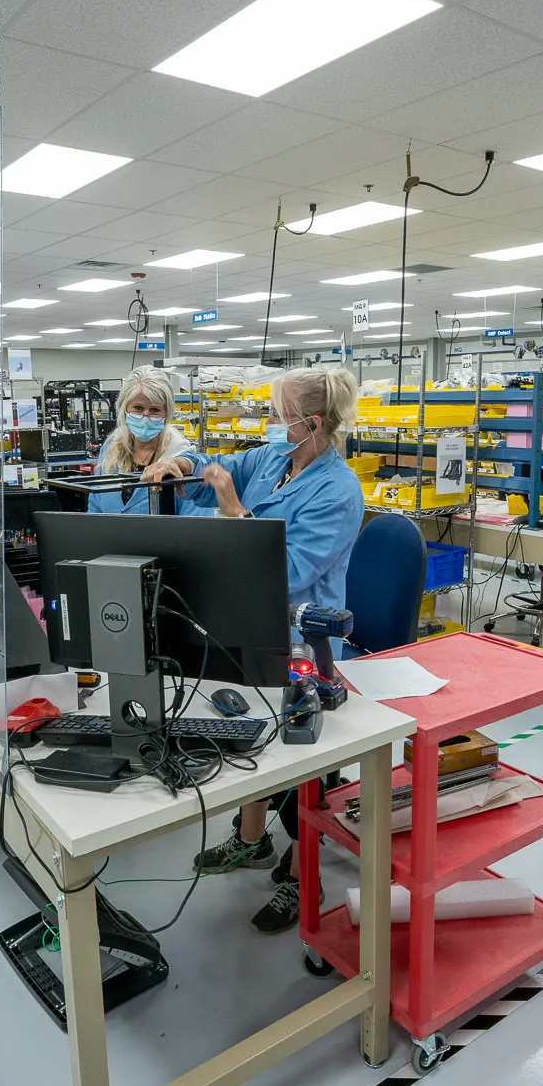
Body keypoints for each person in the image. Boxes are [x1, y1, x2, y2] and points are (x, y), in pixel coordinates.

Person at [142, 366, 364, 932]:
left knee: (298, 758)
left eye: (275, 415)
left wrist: (235, 512)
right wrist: (184, 464)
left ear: (310, 424)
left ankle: (299, 871)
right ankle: (251, 842)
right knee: (250, 738)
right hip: (245, 622)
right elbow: (224, 465)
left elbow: (286, 574)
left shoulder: (338, 491)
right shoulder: (274, 459)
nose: (266, 424)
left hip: (302, 641)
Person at [89, 367, 208, 516]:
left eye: (155, 410)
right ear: (124, 408)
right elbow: (95, 505)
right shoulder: (111, 446)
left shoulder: (181, 460)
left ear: (167, 413)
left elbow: (197, 526)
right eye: (138, 408)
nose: (145, 416)